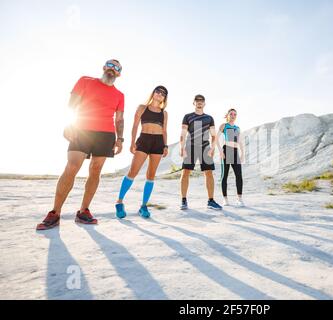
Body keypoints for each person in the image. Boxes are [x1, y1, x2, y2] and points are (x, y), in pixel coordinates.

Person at [36, 59, 125, 230]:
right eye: (110, 65)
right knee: (72, 166)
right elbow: (72, 104)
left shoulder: (120, 95)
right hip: (81, 128)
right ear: (104, 67)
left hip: (106, 133)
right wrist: (69, 123)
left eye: (116, 68)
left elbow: (119, 119)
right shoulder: (85, 81)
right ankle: (55, 213)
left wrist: (120, 139)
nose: (112, 69)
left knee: (96, 169)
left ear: (119, 74)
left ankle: (84, 211)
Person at [115, 86, 169, 219]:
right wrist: (132, 142)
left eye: (163, 93)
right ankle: (119, 202)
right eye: (158, 91)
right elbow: (134, 126)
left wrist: (165, 145)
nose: (160, 94)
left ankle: (143, 206)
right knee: (132, 172)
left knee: (151, 175)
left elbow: (164, 130)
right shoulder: (142, 108)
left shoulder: (164, 113)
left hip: (158, 143)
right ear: (153, 93)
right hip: (144, 139)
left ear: (164, 98)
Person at [179, 95, 222, 210]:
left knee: (208, 173)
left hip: (205, 147)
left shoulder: (209, 118)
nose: (199, 102)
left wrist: (212, 148)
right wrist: (181, 147)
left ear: (204, 103)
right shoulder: (187, 117)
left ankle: (211, 201)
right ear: (194, 103)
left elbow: (213, 135)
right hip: (190, 146)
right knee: (186, 172)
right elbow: (183, 134)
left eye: (201, 101)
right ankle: (183, 200)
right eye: (197, 101)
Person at [217, 108, 245, 207]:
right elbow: (216, 139)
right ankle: (225, 199)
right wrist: (221, 151)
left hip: (235, 151)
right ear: (227, 115)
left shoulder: (237, 128)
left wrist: (242, 153)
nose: (233, 116)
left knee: (239, 176)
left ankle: (239, 199)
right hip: (226, 150)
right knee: (224, 176)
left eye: (234, 114)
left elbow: (240, 141)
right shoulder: (224, 126)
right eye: (231, 114)